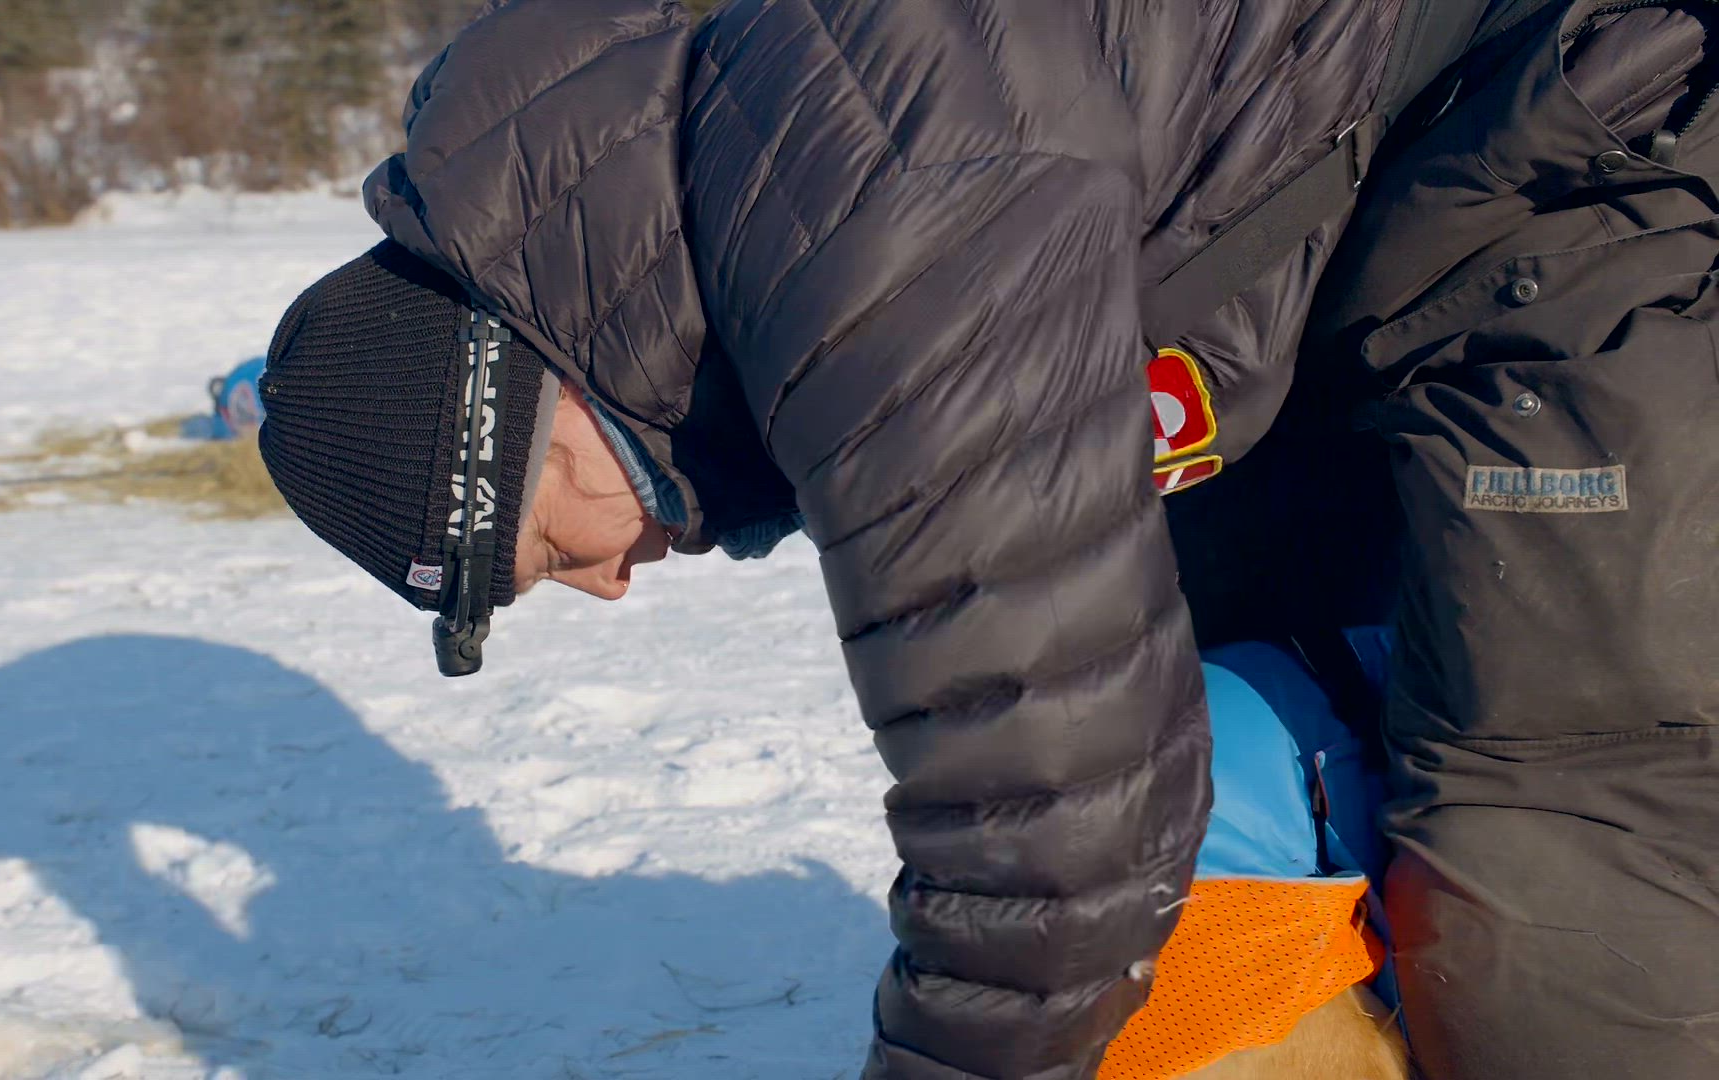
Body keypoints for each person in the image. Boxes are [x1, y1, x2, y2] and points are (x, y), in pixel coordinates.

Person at [256, 1, 1719, 1077]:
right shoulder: (765, 187)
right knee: (1226, 663)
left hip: (1588, 136)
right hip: (1403, 228)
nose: (611, 583)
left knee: (1557, 818)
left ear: (526, 421)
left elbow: (1049, 825)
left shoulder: (856, 196)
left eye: (551, 555)